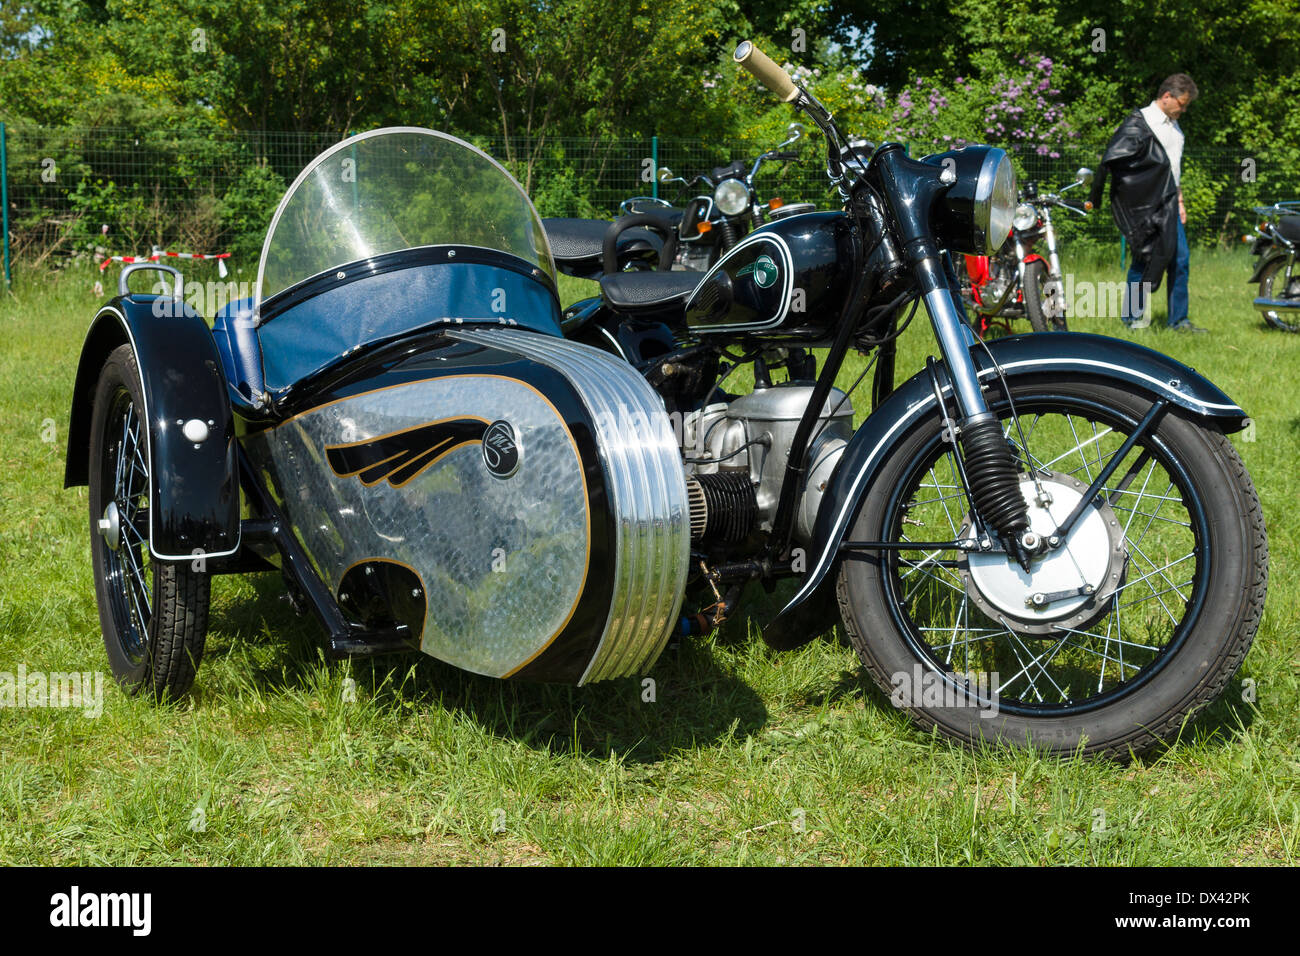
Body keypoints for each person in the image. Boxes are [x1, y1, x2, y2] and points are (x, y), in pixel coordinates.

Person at [1088, 74, 1205, 333]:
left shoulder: (1175, 129)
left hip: (1171, 204)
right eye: (1182, 104)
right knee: (1144, 259)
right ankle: (1132, 319)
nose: (1183, 110)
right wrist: (1098, 198)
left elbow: (1172, 170)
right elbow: (1115, 161)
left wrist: (1181, 202)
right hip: (1144, 207)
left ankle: (1178, 321)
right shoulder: (1140, 123)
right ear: (1167, 97)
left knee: (1180, 260)